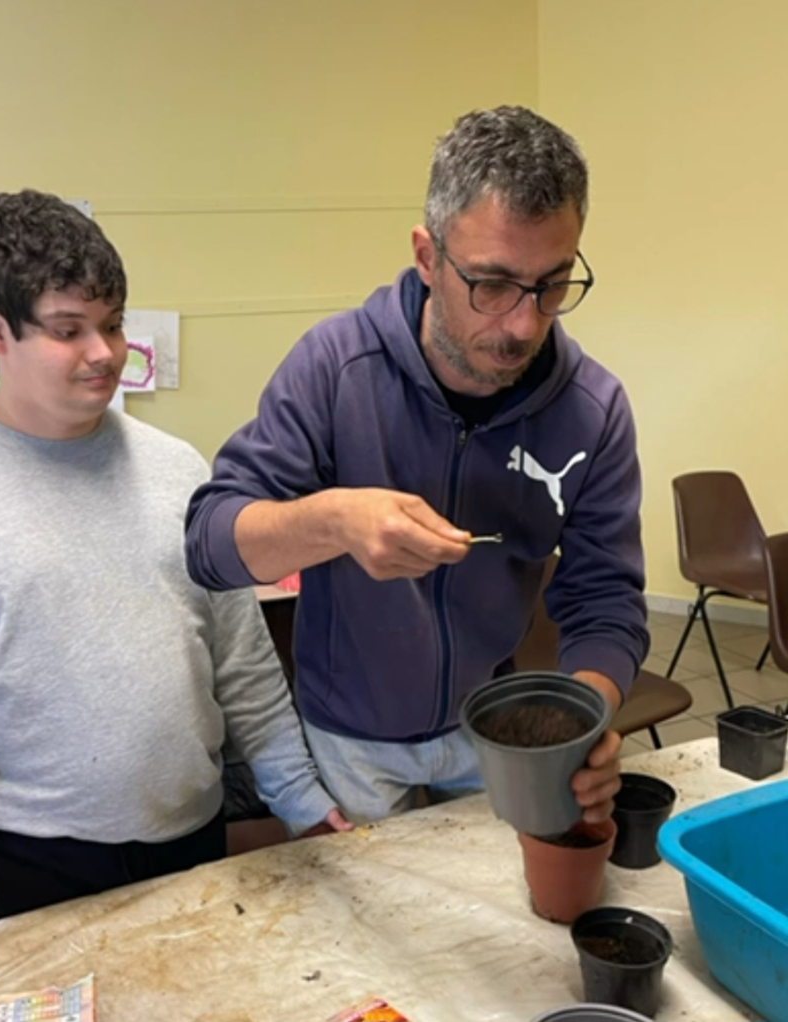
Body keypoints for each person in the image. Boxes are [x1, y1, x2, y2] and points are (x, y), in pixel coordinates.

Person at [0, 189, 348, 1013]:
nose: (104, 353)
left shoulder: (181, 471)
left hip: (192, 841)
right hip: (33, 868)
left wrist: (303, 802)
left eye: (114, 325)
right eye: (69, 329)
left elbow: (242, 664)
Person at [185, 106, 649, 825]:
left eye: (552, 284)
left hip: (494, 725)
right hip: (350, 735)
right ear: (428, 257)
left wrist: (580, 714)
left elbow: (606, 596)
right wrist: (335, 520)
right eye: (492, 283)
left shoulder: (593, 408)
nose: (524, 324)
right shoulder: (335, 368)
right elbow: (211, 543)